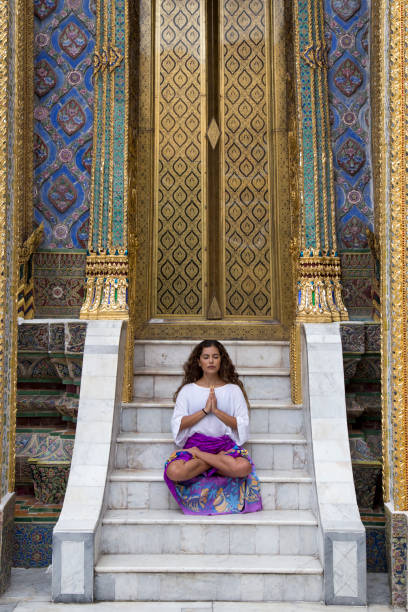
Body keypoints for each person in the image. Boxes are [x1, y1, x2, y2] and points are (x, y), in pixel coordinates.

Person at [163, 340, 262, 515]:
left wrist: (216, 411)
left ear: (221, 360)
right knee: (174, 471)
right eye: (206, 357)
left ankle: (205, 459)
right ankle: (215, 462)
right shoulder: (187, 391)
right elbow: (178, 424)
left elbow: (242, 424)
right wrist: (204, 411)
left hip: (223, 447)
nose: (211, 361)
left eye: (215, 357)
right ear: (198, 361)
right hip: (197, 445)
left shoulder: (233, 390)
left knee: (243, 467)